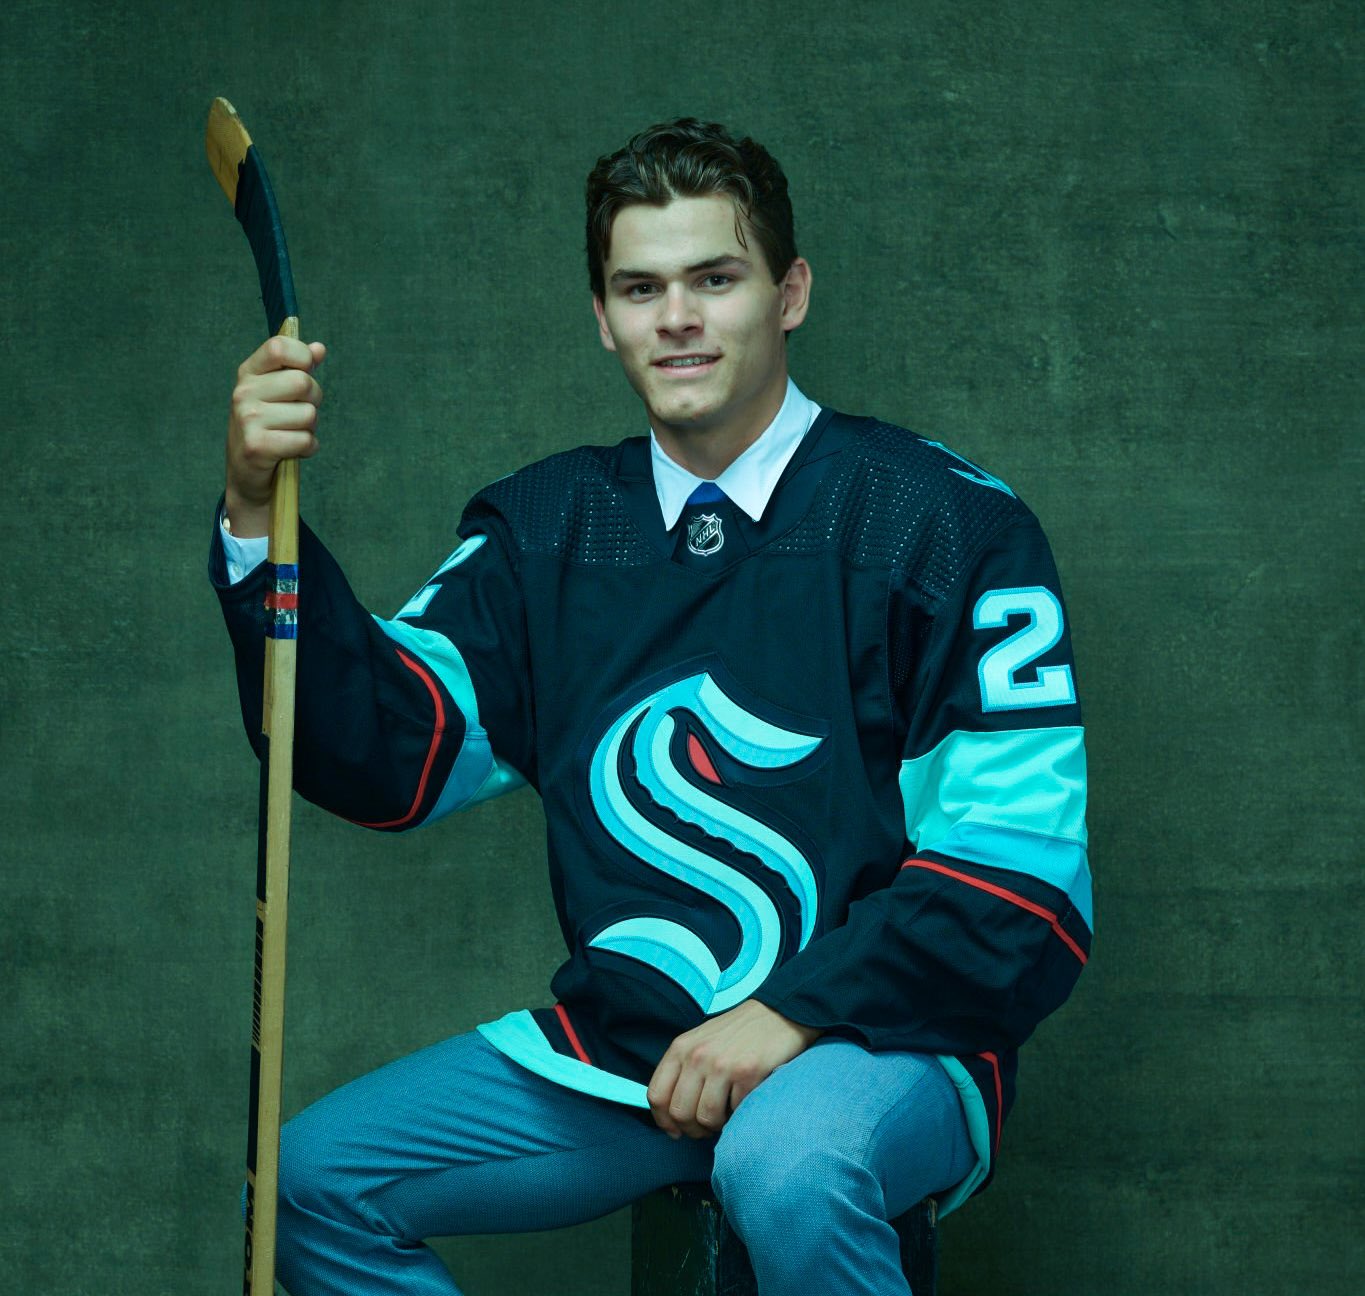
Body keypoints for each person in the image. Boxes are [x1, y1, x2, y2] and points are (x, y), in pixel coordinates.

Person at [212, 118, 1091, 1296]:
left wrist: (792, 1014)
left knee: (786, 1161)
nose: (677, 317)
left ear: (790, 294)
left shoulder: (946, 524)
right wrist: (252, 512)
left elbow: (1022, 880)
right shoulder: (545, 534)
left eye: (715, 279)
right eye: (641, 288)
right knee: (309, 1183)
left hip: (881, 1037)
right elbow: (383, 747)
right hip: (634, 1053)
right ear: (603, 317)